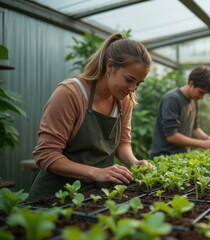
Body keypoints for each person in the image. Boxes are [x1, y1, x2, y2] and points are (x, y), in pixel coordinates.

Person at [28, 33, 155, 201]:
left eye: (138, 83)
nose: (133, 89)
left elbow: (123, 143)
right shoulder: (70, 93)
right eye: (129, 80)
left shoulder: (124, 100)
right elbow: (46, 155)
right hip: (54, 196)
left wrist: (133, 162)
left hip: (94, 195)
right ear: (110, 66)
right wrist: (96, 172)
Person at [150, 65, 210, 159]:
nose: (202, 97)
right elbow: (171, 136)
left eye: (204, 94)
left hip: (180, 158)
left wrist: (208, 138)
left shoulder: (194, 101)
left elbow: (194, 129)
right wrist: (202, 143)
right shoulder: (172, 99)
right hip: (163, 158)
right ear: (191, 84)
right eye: (201, 92)